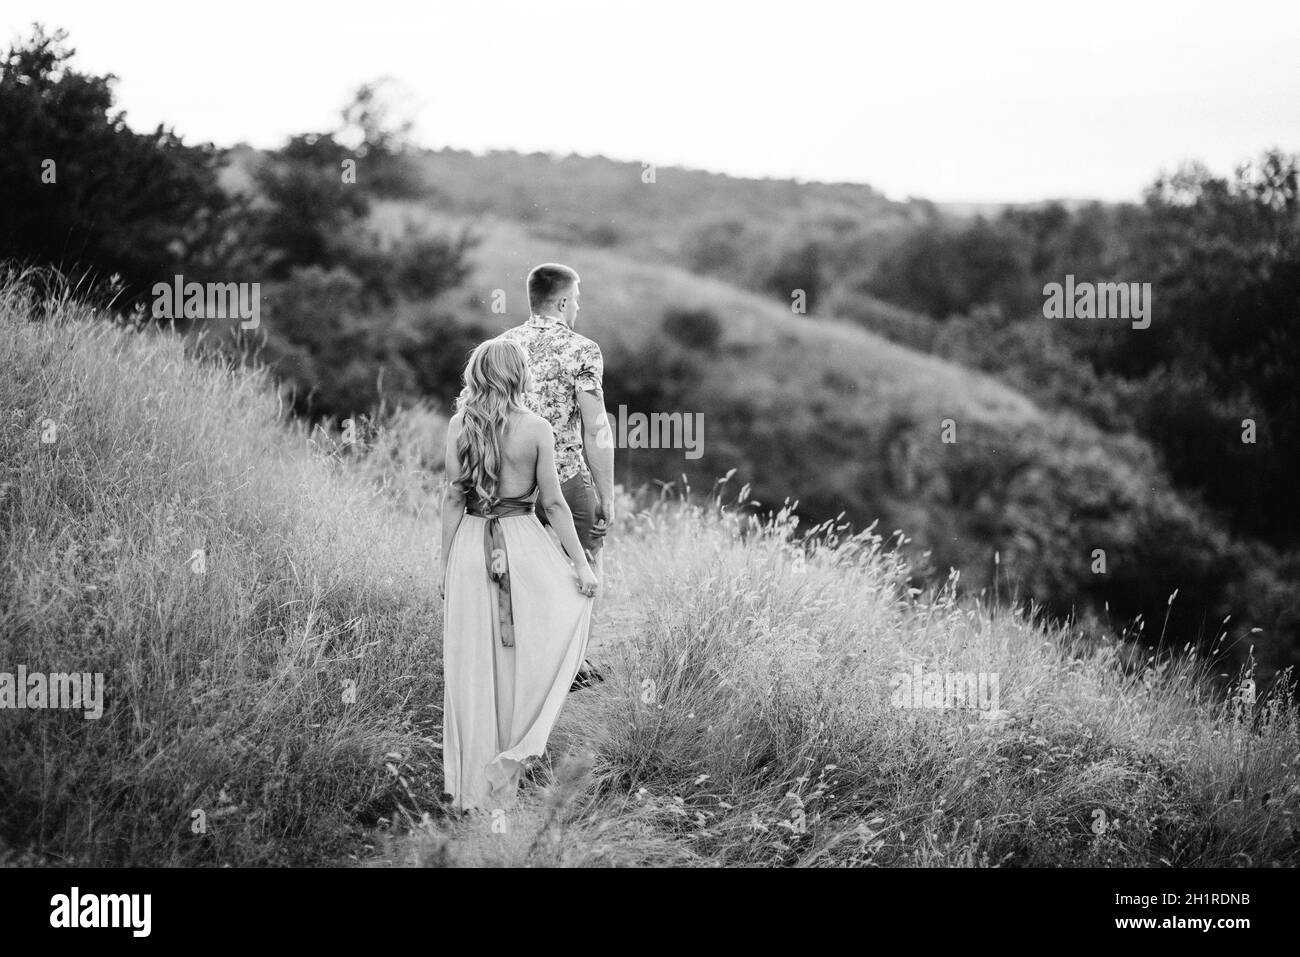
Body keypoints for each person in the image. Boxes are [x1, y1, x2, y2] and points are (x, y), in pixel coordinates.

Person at [439, 337, 599, 812]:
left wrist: (445, 565)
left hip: (471, 544)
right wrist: (581, 564)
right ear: (519, 375)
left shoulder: (458, 424)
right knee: (525, 654)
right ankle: (507, 767)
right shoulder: (537, 428)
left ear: (478, 373)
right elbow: (552, 503)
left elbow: (452, 496)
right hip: (522, 544)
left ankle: (471, 790)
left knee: (472, 663)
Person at [500, 263, 615, 689]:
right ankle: (571, 665)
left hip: (512, 480)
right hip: (565, 478)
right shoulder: (583, 350)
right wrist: (606, 494)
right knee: (584, 561)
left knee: (522, 567)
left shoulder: (502, 346)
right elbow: (595, 428)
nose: (578, 306)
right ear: (564, 301)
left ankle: (526, 655)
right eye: (577, 299)